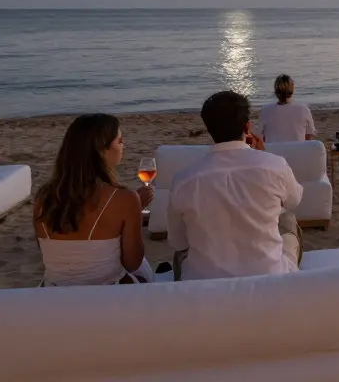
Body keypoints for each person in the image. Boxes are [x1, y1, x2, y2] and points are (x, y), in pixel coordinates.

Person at [168, 91, 304, 280]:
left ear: (209, 129)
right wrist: (262, 157)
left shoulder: (184, 180)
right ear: (247, 126)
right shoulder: (274, 166)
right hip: (269, 279)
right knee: (288, 219)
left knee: (181, 253)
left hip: (205, 286)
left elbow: (178, 242)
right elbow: (294, 200)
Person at [33, 114, 154, 285]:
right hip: (107, 297)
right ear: (101, 149)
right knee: (145, 273)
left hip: (55, 294)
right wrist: (135, 211)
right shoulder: (125, 199)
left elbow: (49, 252)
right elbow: (132, 263)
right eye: (119, 141)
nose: (123, 146)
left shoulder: (44, 196)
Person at [257, 74, 317, 143]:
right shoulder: (303, 109)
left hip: (273, 152)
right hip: (298, 152)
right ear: (292, 90)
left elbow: (261, 136)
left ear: (275, 92)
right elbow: (308, 137)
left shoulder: (265, 110)